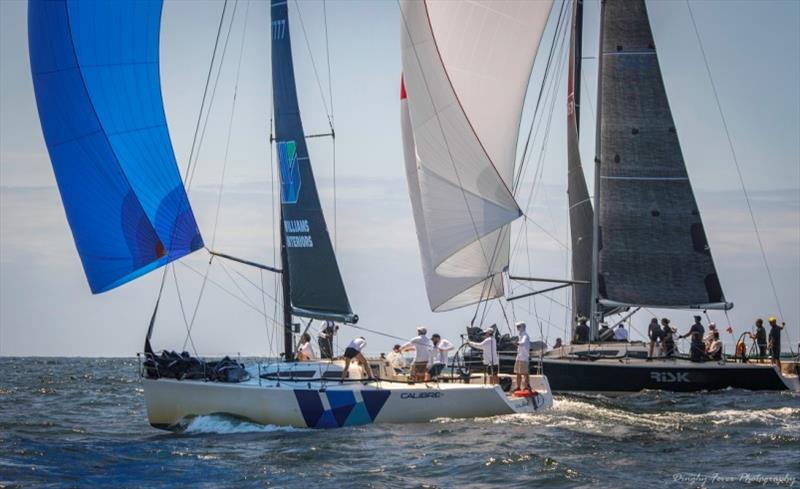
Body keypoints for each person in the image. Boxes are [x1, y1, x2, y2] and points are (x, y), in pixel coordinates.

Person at [514, 321, 532, 391]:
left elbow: (523, 342)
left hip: (524, 358)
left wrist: (517, 343)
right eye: (517, 327)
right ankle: (518, 387)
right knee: (518, 373)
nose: (517, 328)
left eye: (518, 326)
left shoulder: (525, 335)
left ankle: (527, 387)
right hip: (519, 357)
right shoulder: (520, 335)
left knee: (525, 373)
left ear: (522, 327)